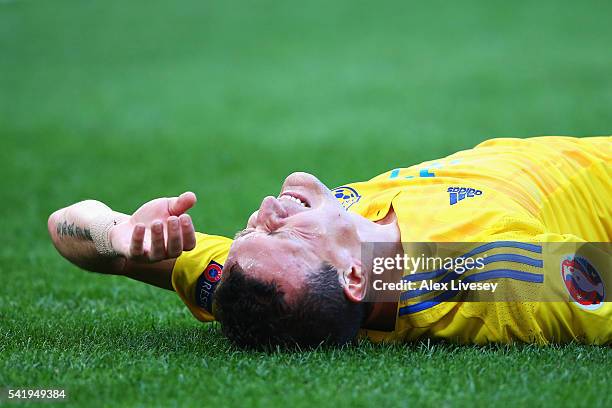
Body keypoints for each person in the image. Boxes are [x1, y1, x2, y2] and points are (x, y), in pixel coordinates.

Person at [48, 136, 612, 349]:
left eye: (248, 230)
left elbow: (64, 223)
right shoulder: (485, 275)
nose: (265, 211)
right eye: (282, 231)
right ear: (354, 275)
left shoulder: (256, 282)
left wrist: (120, 237)